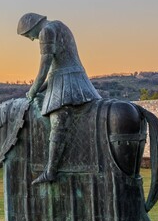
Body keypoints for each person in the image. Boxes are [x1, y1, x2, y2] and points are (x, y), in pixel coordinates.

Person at [17, 13, 101, 184]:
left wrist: (33, 90)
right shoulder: (59, 25)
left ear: (32, 26)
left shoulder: (46, 32)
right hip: (69, 78)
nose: (31, 39)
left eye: (28, 35)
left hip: (68, 82)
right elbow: (55, 72)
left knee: (57, 122)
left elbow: (44, 67)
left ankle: (51, 171)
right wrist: (38, 90)